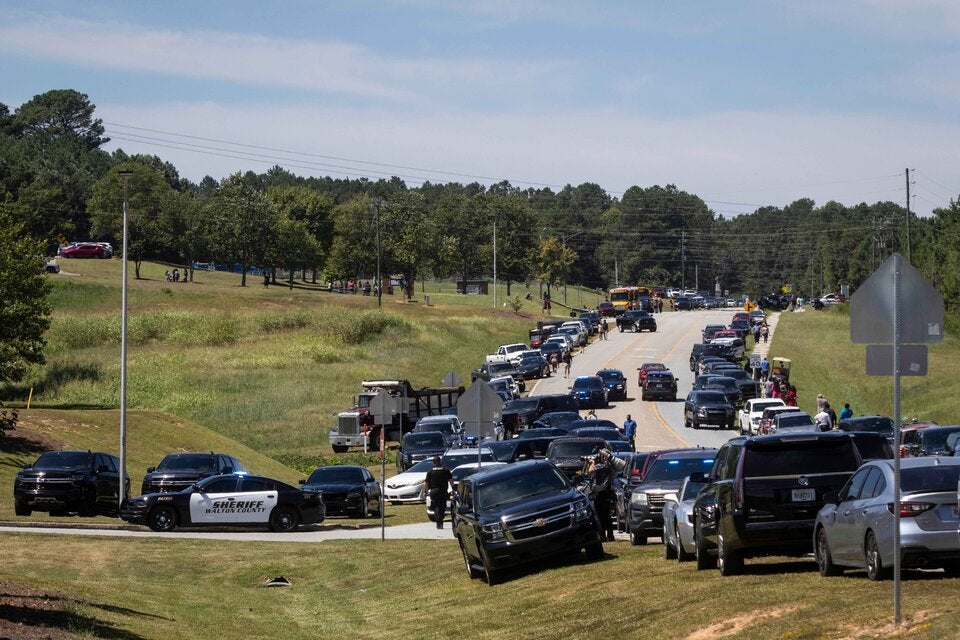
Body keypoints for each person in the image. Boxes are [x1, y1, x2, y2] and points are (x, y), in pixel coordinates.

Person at [586, 448, 626, 542]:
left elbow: (591, 470)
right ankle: (610, 536)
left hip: (601, 493)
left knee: (600, 515)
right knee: (606, 516)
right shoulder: (611, 466)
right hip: (606, 492)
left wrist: (592, 463)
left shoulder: (604, 466)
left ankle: (603, 536)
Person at [422, 456, 454, 530]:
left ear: (433, 463)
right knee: (442, 507)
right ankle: (440, 520)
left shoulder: (430, 472)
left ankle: (438, 522)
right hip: (443, 491)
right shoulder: (446, 471)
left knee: (436, 507)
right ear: (440, 462)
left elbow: (426, 483)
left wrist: (424, 491)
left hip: (434, 491)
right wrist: (452, 489)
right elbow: (451, 481)